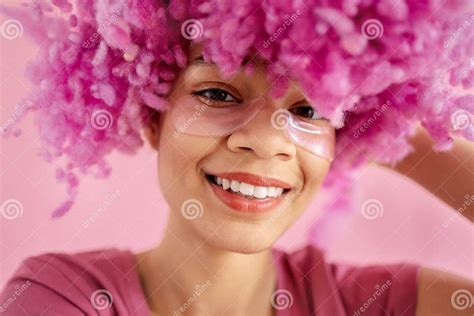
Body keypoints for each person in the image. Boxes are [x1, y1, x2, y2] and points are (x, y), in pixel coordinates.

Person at [1, 42, 473, 316]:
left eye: (308, 109)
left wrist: (397, 131)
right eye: (217, 94)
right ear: (152, 118)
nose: (265, 141)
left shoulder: (373, 305)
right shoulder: (61, 295)